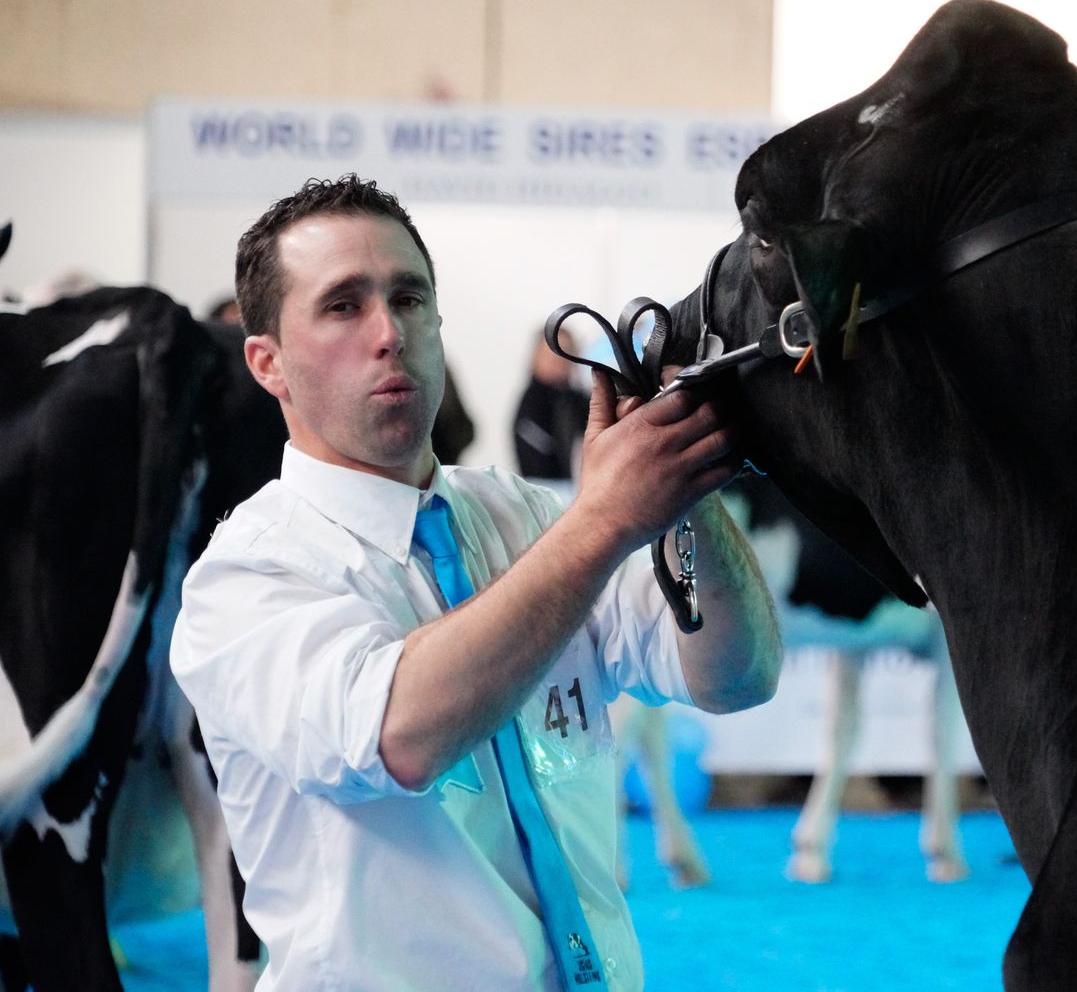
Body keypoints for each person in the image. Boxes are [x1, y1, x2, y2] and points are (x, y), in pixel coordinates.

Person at [171, 174, 781, 991]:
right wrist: (605, 521)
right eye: (343, 305)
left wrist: (683, 488)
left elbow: (738, 676)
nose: (390, 332)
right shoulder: (245, 577)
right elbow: (403, 735)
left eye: (411, 297)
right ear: (268, 362)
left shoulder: (526, 515)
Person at [514, 325, 590, 480]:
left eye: (566, 353)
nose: (559, 361)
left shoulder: (579, 401)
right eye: (551, 354)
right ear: (536, 357)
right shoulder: (532, 405)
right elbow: (537, 466)